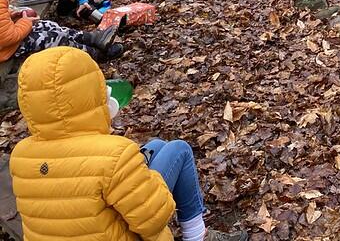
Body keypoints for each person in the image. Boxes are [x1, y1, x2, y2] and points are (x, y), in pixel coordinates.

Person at [10, 46, 247, 241]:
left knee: (156, 145)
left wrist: (133, 168)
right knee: (179, 149)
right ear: (92, 93)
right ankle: (197, 236)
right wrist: (139, 173)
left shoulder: (21, 155)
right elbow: (155, 217)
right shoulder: (114, 154)